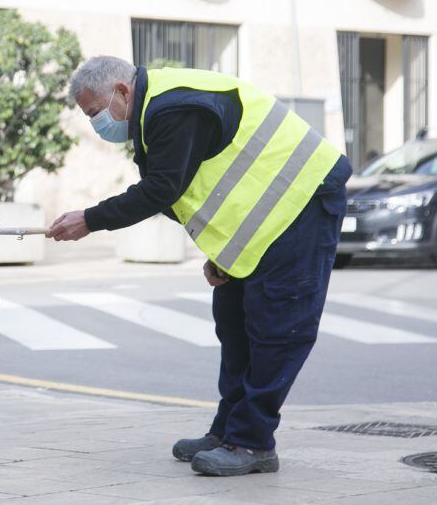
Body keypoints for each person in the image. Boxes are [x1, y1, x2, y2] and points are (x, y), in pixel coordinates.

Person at [48, 56, 351, 477]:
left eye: (95, 112)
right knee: (233, 323)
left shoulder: (173, 108)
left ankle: (251, 443)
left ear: (121, 92)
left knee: (276, 330)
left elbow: (161, 189)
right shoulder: (155, 113)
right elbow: (202, 193)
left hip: (304, 203)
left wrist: (91, 219)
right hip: (265, 224)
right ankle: (228, 430)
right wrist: (221, 253)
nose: (97, 123)